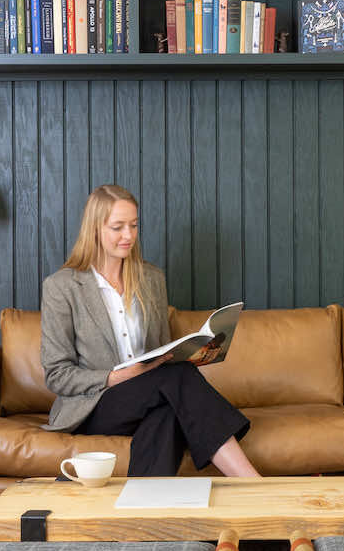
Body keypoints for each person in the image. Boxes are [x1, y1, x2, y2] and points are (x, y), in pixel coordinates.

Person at [39, 184, 261, 478]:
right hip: (94, 406)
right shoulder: (62, 287)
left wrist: (192, 353)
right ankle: (251, 483)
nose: (129, 236)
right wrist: (117, 377)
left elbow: (160, 351)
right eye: (117, 227)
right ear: (94, 229)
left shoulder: (152, 280)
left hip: (150, 395)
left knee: (167, 414)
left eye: (133, 225)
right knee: (177, 381)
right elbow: (56, 374)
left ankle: (139, 513)